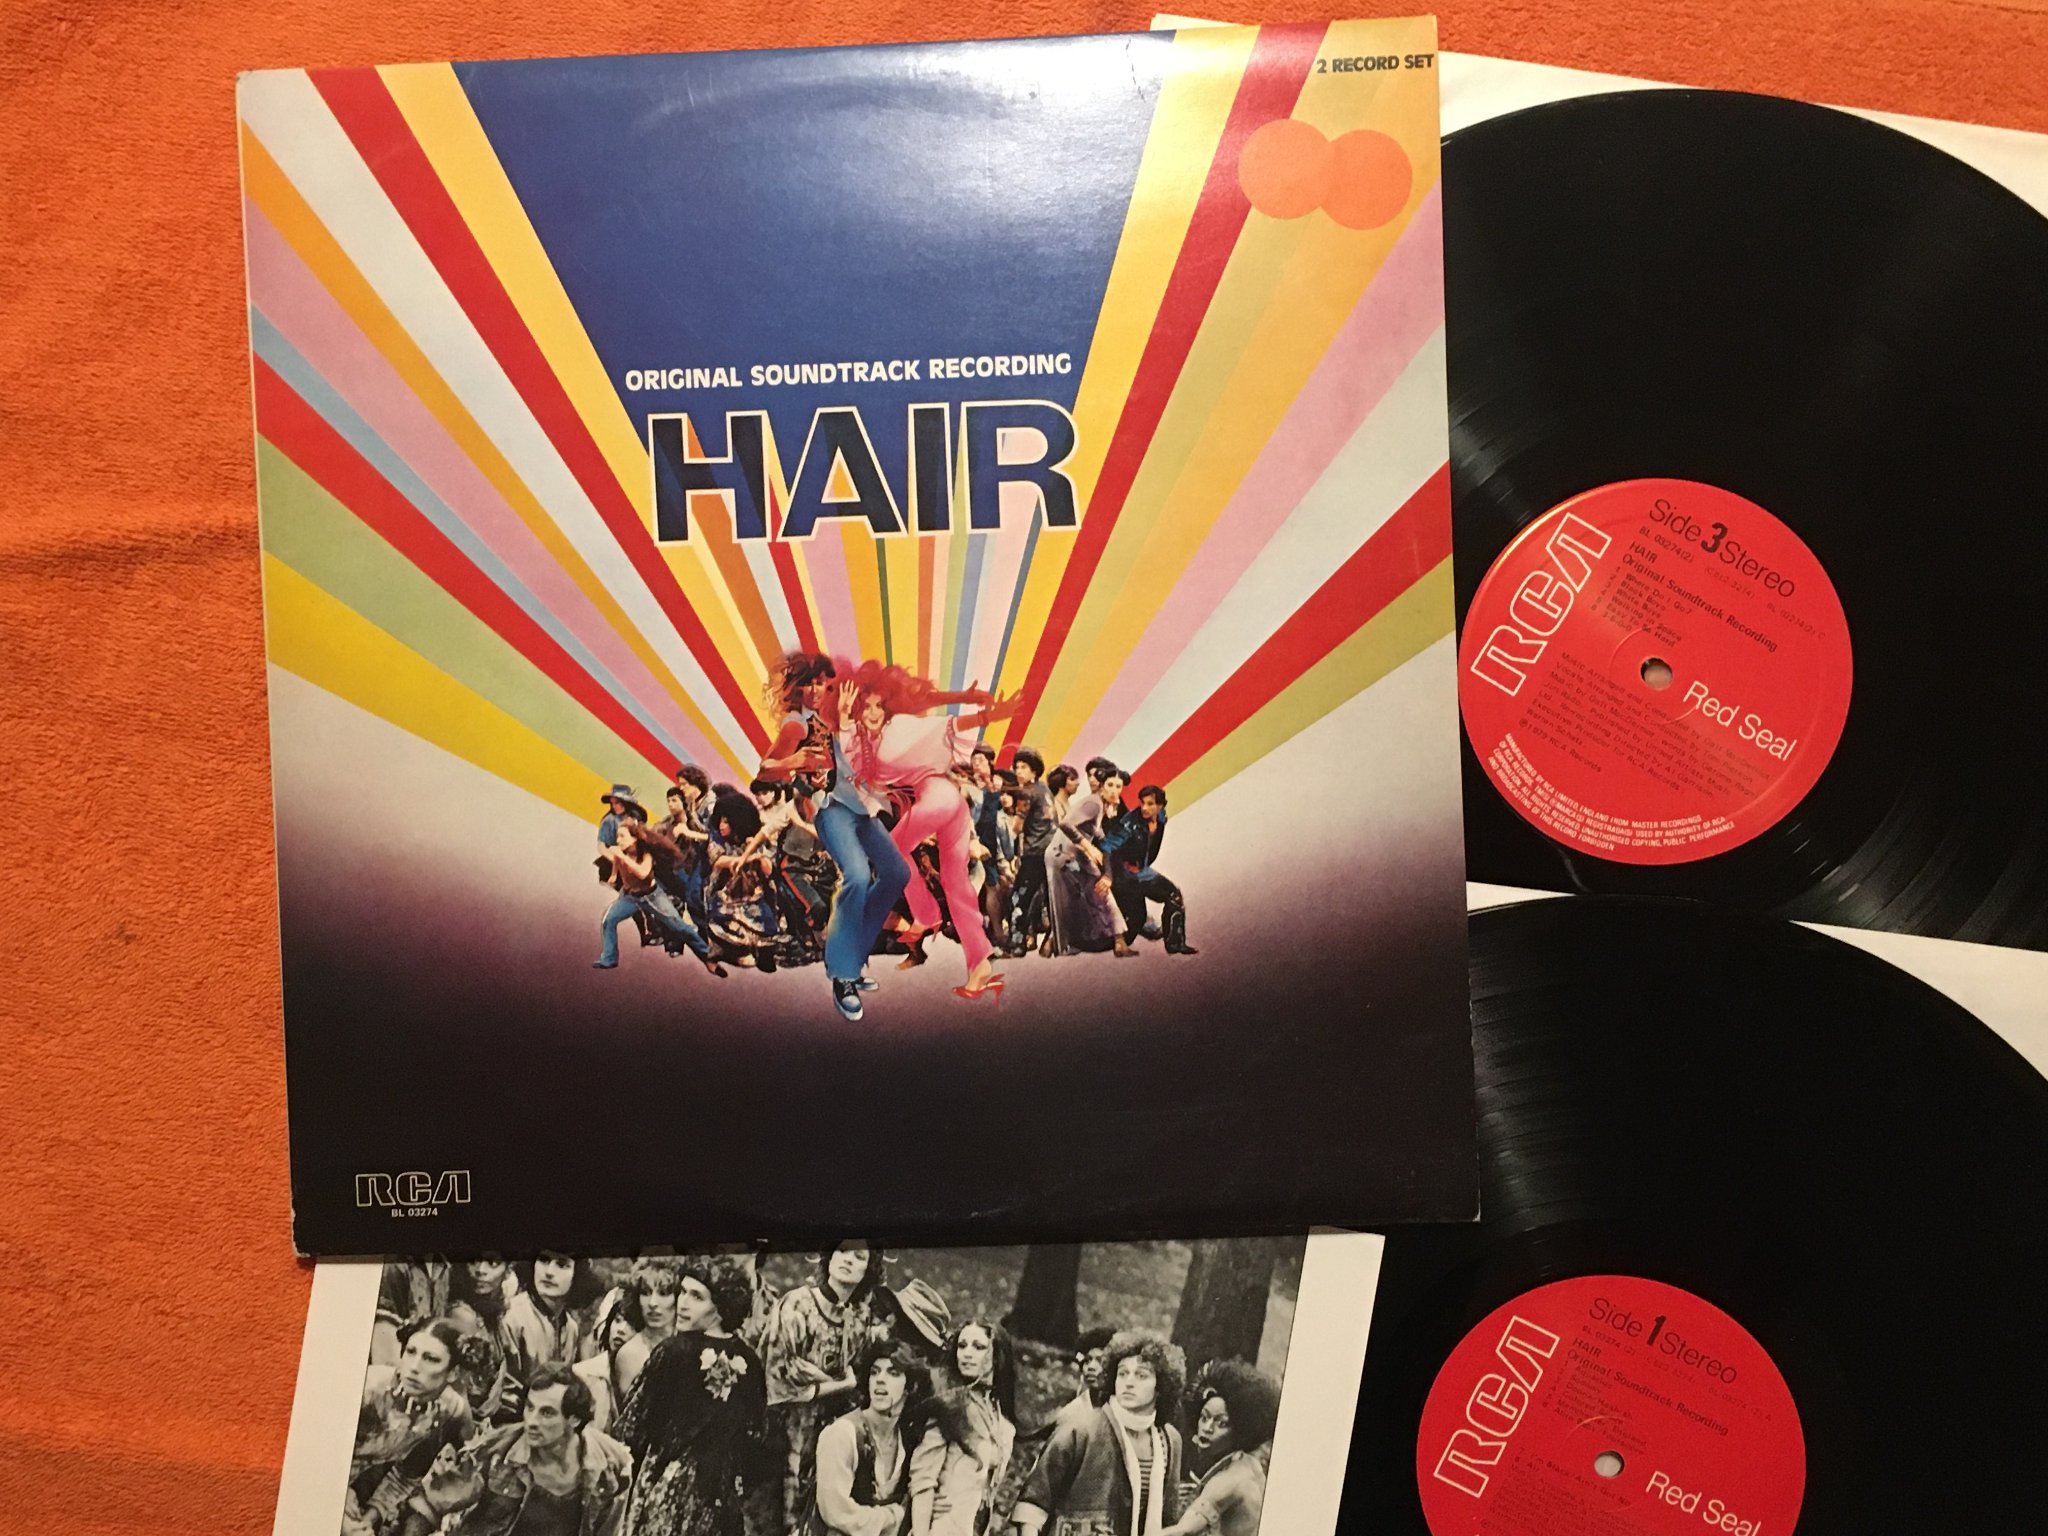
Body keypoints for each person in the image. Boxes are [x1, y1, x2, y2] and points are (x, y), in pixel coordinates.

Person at [838, 663, 1016, 1000]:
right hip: (949, 808)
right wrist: (845, 717)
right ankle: (979, 966)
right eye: (866, 707)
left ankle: (926, 914)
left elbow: (948, 725)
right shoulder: (864, 742)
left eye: (879, 705)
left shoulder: (900, 728)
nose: (873, 713)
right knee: (955, 883)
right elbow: (852, 767)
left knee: (892, 849)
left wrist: (986, 717)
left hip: (940, 797)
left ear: (889, 707)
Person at [760, 652, 910, 1021]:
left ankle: (853, 957)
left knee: (896, 873)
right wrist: (792, 763)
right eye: (811, 684)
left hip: (859, 807)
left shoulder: (825, 720)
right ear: (798, 687)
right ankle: (842, 976)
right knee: (857, 876)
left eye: (823, 685)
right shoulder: (795, 724)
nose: (818, 691)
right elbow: (764, 770)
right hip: (831, 811)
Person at [614, 1256, 767, 1536]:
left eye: (697, 1296)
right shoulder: (750, 1361)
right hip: (721, 1500)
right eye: (682, 1292)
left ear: (720, 1306)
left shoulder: (674, 1351)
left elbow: (631, 1428)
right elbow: (756, 1438)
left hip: (667, 1494)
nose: (683, 1303)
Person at [401, 1363, 634, 1536]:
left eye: (547, 1413)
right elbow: (429, 1505)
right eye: (530, 1408)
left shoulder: (610, 1465)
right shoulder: (496, 1451)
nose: (531, 1421)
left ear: (574, 1419)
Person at [761, 1242, 895, 1535]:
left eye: (858, 1256)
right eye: (842, 1251)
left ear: (868, 1269)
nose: (848, 1260)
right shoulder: (797, 1305)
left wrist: (824, 1381)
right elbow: (779, 1383)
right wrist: (841, 1383)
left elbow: (860, 1378)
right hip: (781, 1431)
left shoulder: (859, 1318)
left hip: (825, 1436)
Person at [1011, 1330, 1185, 1536]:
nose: (1129, 1382)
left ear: (1161, 1386)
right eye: (1122, 1373)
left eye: (1141, 1375)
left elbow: (1169, 1519)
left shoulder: (1169, 1440)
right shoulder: (1081, 1429)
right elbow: (1033, 1504)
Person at [347, 1318, 480, 1532]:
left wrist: (369, 1519)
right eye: (410, 1352)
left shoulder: (448, 1410)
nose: (414, 1367)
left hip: (358, 1491)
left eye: (431, 1359)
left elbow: (405, 1476)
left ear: (453, 1372)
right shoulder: (367, 1388)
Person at [806, 1340, 933, 1536]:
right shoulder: (842, 1434)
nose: (880, 1379)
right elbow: (835, 1513)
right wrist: (893, 1516)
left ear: (911, 1386)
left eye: (893, 1373)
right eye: (874, 1372)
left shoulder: (907, 1440)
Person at [905, 1320, 1017, 1536]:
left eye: (978, 1347)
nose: (967, 1354)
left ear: (997, 1356)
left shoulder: (998, 1414)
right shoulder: (949, 1405)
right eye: (962, 1345)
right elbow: (922, 1482)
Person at [1160, 1361, 1279, 1536]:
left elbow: (1184, 1531)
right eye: (1204, 1417)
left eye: (1221, 1423)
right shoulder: (1249, 1465)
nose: (1207, 1428)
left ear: (1241, 1430)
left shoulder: (1229, 1480)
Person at [595, 819, 724, 975]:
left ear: (634, 838)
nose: (618, 840)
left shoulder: (645, 854)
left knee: (680, 927)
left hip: (651, 897)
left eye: (622, 836)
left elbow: (642, 873)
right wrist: (614, 875)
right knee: (608, 920)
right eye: (617, 836)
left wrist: (622, 857)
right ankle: (609, 958)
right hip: (629, 896)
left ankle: (708, 958)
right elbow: (617, 861)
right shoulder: (621, 852)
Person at [499, 1255, 603, 1418]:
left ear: (577, 1273)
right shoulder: (511, 1316)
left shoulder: (571, 1328)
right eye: (543, 1260)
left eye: (561, 1265)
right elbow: (505, 1396)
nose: (549, 1272)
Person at [1101, 786, 1196, 958]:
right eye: (1142, 803)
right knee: (1135, 921)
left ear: (1160, 805)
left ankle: (1175, 943)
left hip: (1143, 871)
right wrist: (1108, 875)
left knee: (1173, 895)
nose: (1144, 808)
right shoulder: (1128, 824)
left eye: (1150, 804)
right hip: (1126, 876)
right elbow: (1106, 847)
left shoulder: (1160, 817)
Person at [1046, 769, 1126, 957]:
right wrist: (1088, 847)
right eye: (1110, 785)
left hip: (1069, 855)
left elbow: (1100, 837)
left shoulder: (1101, 806)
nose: (1114, 790)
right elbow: (1065, 824)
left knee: (1073, 898)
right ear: (1102, 787)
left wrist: (1106, 863)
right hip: (1063, 854)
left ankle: (1054, 945)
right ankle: (1119, 940)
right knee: (1086, 893)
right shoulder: (1094, 803)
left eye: (1118, 786)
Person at [706, 793, 783, 971]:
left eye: (726, 821)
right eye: (720, 821)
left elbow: (768, 869)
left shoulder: (757, 836)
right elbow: (717, 860)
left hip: (755, 892)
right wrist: (744, 859)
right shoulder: (717, 838)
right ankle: (733, 953)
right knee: (724, 923)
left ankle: (764, 954)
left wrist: (756, 851)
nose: (721, 825)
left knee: (766, 922)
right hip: (726, 890)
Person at [1001, 749, 1056, 956]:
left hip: (1035, 854)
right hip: (1051, 851)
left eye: (1023, 767)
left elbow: (1016, 827)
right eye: (1017, 767)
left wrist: (1008, 810)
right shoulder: (1044, 789)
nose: (1018, 771)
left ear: (1034, 770)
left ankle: (1017, 944)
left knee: (1018, 899)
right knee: (1047, 898)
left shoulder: (1026, 793)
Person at [1049, 1327, 1117, 1430]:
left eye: (1100, 1361)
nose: (1091, 1367)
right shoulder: (1072, 1411)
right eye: (1087, 1361)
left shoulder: (1124, 1408)